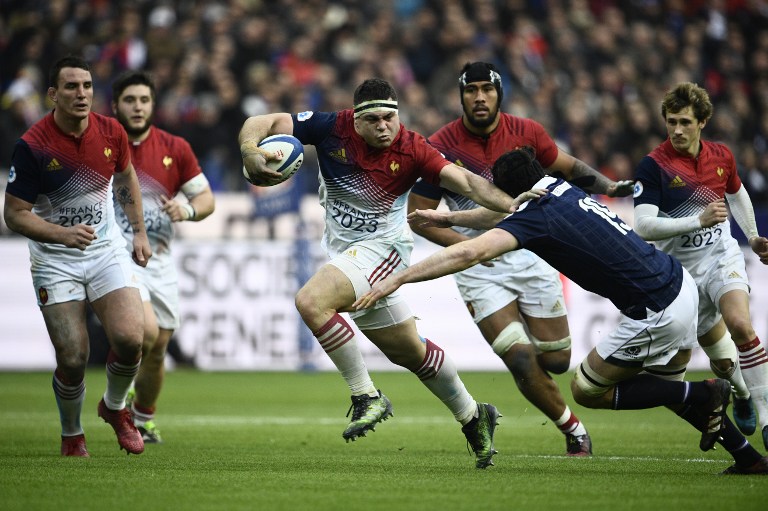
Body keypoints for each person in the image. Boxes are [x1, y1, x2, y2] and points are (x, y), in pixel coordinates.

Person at [355, 147, 768, 475]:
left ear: (514, 192)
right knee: (661, 390)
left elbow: (468, 252)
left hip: (657, 308)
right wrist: (449, 216)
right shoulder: (560, 189)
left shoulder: (534, 217)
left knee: (588, 389)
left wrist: (398, 278)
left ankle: (703, 390)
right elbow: (502, 211)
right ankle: (746, 456)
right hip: (680, 285)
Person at [238, 78, 531, 468]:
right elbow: (262, 121)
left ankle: (366, 396)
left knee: (311, 301)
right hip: (347, 252)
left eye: (389, 118)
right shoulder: (329, 127)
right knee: (410, 352)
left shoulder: (413, 149)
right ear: (355, 120)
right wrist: (249, 152)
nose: (383, 127)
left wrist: (517, 206)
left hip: (385, 250)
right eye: (373, 119)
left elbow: (467, 182)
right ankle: (474, 415)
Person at [408, 62, 634, 456]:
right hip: (481, 268)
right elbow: (420, 216)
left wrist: (609, 186)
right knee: (519, 357)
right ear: (460, 96)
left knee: (559, 359)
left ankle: (541, 384)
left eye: (487, 89)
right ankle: (574, 430)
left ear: (499, 93)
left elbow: (570, 167)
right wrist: (467, 248)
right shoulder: (439, 145)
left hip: (532, 253)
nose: (480, 97)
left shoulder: (527, 133)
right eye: (471, 90)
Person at [3, 56, 151, 457]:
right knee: (73, 357)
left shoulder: (111, 131)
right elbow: (13, 215)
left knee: (130, 338)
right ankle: (72, 434)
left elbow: (125, 178)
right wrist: (61, 234)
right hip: (55, 258)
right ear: (53, 95)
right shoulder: (33, 146)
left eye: (86, 86)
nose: (81, 94)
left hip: (105, 250)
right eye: (71, 87)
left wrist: (138, 232)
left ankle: (115, 408)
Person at [632, 82, 768, 448]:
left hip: (722, 256)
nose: (677, 130)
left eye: (685, 122)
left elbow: (736, 192)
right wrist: (697, 220)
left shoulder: (721, 156)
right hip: (681, 275)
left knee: (741, 323)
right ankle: (740, 392)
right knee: (722, 364)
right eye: (671, 121)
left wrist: (753, 236)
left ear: (702, 122)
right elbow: (643, 226)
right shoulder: (653, 166)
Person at [111, 70, 215, 443]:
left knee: (158, 348)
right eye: (129, 100)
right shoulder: (102, 144)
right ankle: (115, 406)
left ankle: (142, 418)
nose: (137, 107)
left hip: (160, 256)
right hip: (116, 255)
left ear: (153, 105)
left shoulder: (175, 147)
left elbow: (206, 199)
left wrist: (186, 211)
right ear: (115, 106)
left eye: (144, 100)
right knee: (146, 333)